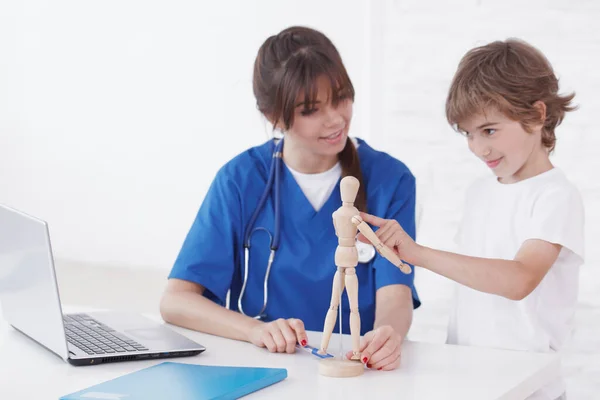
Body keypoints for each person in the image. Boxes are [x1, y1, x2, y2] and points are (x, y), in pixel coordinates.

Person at [159, 26, 420, 371]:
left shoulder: (391, 180)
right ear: (275, 117)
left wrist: (388, 335)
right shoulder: (240, 180)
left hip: (355, 370)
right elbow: (176, 301)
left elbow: (395, 294)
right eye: (311, 109)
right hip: (264, 367)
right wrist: (256, 331)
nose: (336, 119)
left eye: (341, 97)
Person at [357, 39, 584, 398]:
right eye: (469, 134)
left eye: (490, 130)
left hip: (530, 388)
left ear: (538, 115)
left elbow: (519, 279)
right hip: (474, 381)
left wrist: (419, 253)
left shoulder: (555, 196)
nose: (479, 148)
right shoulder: (480, 191)